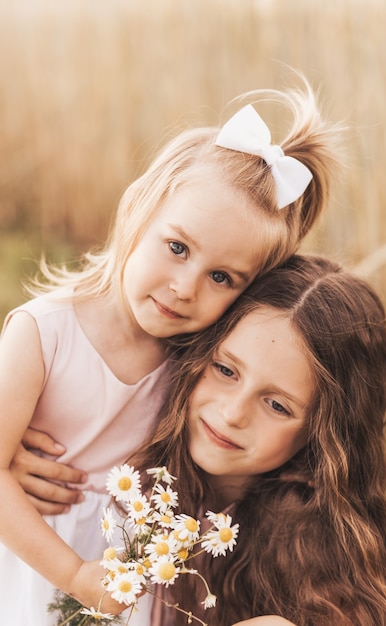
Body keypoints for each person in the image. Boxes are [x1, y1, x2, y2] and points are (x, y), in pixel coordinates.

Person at [0, 77, 344, 624]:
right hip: (46, 556)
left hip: (137, 573)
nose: (186, 287)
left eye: (222, 277)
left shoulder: (197, 359)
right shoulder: (43, 333)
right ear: (137, 208)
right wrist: (72, 575)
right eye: (178, 247)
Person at [124, 254, 386, 626]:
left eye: (277, 405)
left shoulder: (318, 563)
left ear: (321, 437)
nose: (233, 413)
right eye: (226, 369)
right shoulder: (125, 449)